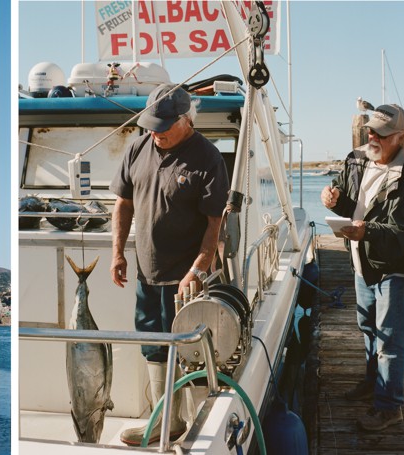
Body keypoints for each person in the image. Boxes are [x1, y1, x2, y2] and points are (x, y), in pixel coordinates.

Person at [109, 83, 229, 445]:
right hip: (147, 273)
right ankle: (166, 422)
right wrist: (118, 253)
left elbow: (214, 225)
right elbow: (123, 204)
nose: (155, 133)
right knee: (153, 344)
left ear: (185, 119)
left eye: (162, 126)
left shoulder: (208, 158)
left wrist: (198, 268)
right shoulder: (137, 148)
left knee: (190, 348)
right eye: (150, 125)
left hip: (187, 278)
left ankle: (195, 425)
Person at [321, 103, 404, 431]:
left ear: (401, 137)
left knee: (391, 339)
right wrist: (333, 197)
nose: (372, 136)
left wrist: (366, 231)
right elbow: (348, 198)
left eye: (380, 133)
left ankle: (389, 406)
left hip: (392, 269)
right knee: (368, 328)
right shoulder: (357, 157)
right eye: (370, 129)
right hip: (361, 261)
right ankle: (373, 384)